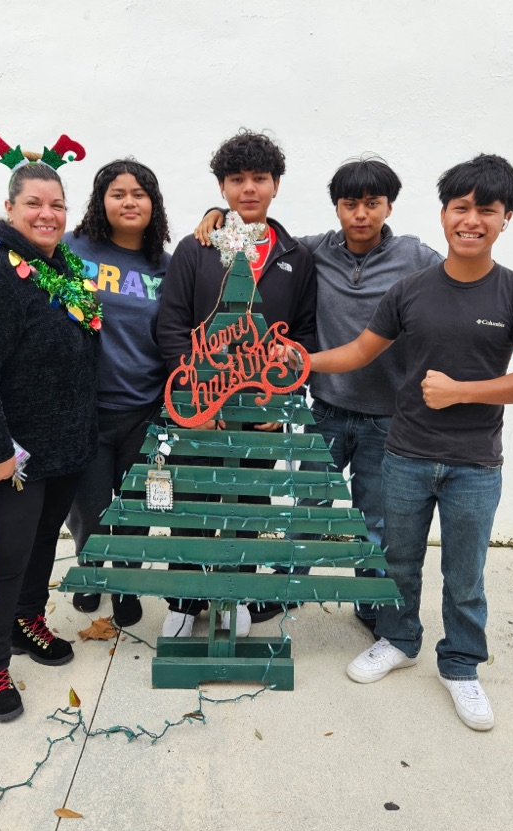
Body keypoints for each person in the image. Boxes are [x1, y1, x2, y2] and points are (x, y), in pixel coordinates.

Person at [303, 154, 513, 731]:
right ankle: (399, 640)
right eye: (460, 208)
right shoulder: (411, 289)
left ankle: (462, 665)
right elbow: (360, 351)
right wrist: (302, 360)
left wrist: (464, 391)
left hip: (474, 464)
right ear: (444, 214)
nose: (471, 220)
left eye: (485, 211)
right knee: (399, 560)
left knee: (465, 575)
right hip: (405, 454)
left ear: (506, 218)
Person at [196, 157, 442, 628]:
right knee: (308, 507)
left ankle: (371, 602)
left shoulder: (415, 256)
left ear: (389, 206)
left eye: (373, 204)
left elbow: (455, 282)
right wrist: (218, 213)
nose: (361, 215)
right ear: (337, 207)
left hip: (385, 418)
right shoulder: (314, 252)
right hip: (326, 410)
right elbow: (264, 233)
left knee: (376, 519)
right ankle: (287, 588)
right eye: (351, 204)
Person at [0, 154, 98, 722]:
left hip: (57, 446)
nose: (47, 213)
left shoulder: (62, 269)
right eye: (33, 202)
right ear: (9, 208)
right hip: (2, 451)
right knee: (0, 558)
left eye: (56, 204)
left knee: (37, 546)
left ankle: (24, 620)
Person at [156, 129, 317, 638]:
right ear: (222, 188)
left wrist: (280, 391)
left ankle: (239, 591)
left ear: (276, 186)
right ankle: (184, 599)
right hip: (199, 408)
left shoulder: (295, 256)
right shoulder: (196, 247)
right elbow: (171, 326)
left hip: (260, 412)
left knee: (250, 501)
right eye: (236, 180)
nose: (249, 189)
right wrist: (199, 392)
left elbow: (305, 335)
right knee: (190, 500)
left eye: (260, 179)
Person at [63, 159, 171, 626]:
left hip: (144, 409)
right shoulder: (70, 251)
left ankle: (126, 581)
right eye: (117, 193)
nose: (129, 201)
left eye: (139, 193)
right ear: (100, 201)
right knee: (87, 507)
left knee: (139, 502)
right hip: (85, 410)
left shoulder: (166, 268)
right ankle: (90, 571)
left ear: (153, 203)